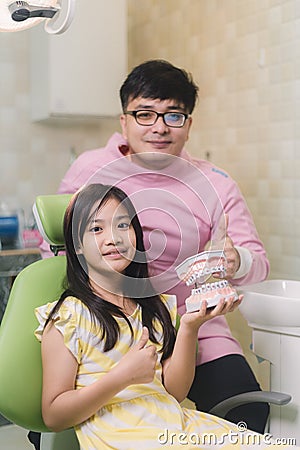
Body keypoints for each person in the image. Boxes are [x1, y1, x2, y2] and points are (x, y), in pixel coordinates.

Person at [40, 60, 270, 433]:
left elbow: (258, 263)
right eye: (145, 114)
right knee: (65, 421)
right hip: (111, 323)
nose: (159, 127)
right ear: (124, 120)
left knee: (247, 413)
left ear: (189, 125)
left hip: (196, 324)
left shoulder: (216, 184)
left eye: (173, 115)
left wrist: (236, 260)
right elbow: (56, 246)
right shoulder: (91, 169)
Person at [34, 183, 271, 450]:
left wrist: (189, 327)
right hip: (125, 436)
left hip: (174, 425)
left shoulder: (155, 308)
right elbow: (53, 415)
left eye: (123, 225)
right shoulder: (69, 318)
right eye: (97, 229)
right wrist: (122, 377)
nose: (114, 238)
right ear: (77, 245)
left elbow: (173, 392)